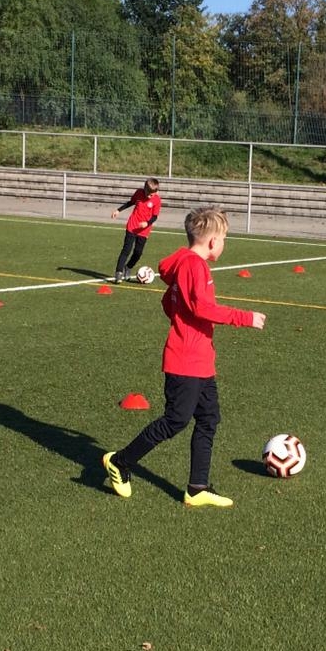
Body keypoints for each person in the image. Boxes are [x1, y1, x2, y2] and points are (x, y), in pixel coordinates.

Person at [101, 206, 266, 508]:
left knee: (208, 418)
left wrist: (183, 322)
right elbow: (202, 308)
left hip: (200, 360)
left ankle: (197, 488)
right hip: (185, 360)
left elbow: (169, 303)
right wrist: (245, 318)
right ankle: (120, 462)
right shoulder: (194, 266)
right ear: (213, 241)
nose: (224, 244)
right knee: (175, 420)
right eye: (224, 239)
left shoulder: (185, 264)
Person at [111, 178, 162, 282]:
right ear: (144, 189)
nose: (149, 196)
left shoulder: (157, 200)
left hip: (144, 230)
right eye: (148, 194)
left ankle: (128, 267)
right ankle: (118, 273)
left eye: (152, 195)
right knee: (126, 250)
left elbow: (155, 216)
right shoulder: (138, 193)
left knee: (138, 253)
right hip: (132, 227)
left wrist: (147, 223)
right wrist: (118, 210)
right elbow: (131, 202)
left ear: (156, 192)